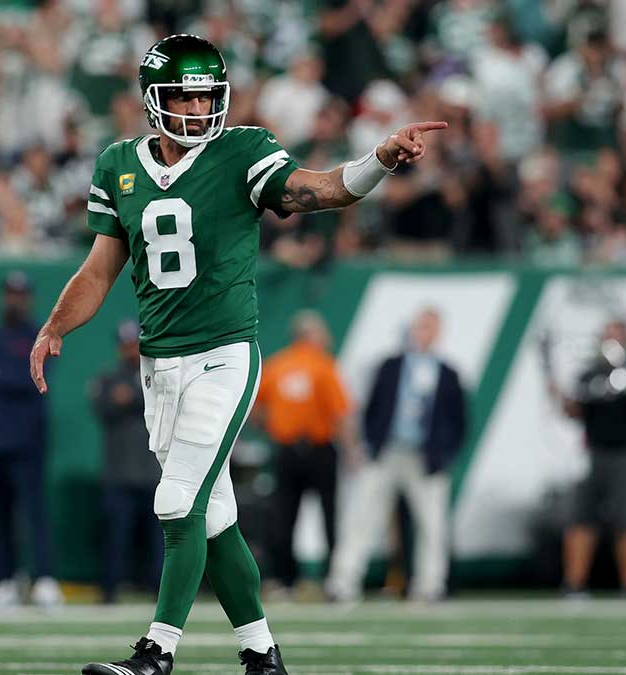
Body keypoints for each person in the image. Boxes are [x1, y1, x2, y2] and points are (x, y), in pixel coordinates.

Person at [27, 33, 448, 675]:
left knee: (176, 504)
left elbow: (321, 190)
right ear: (153, 99)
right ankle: (262, 656)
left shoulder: (242, 149)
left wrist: (380, 160)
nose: (197, 110)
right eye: (183, 97)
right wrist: (55, 326)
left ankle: (156, 653)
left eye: (206, 96)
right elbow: (99, 267)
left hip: (223, 354)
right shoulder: (118, 163)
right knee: (215, 516)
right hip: (159, 364)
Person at [326, 308, 467, 603]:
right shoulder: (390, 366)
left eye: (429, 327)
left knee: (432, 523)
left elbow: (459, 419)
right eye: (419, 326)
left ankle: (430, 584)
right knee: (361, 517)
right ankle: (343, 582)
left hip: (424, 457)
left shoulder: (449, 373)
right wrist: (368, 444)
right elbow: (372, 407)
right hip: (387, 451)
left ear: (438, 332)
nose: (422, 333)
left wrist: (445, 454)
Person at [0, 272, 62, 609]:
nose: (13, 300)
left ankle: (45, 579)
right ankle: (6, 580)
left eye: (20, 294)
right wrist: (11, 377)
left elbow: (33, 379)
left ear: (29, 298)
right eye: (9, 294)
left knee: (34, 512)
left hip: (27, 441)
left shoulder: (40, 337)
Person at [555, 319, 626, 597]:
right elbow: (573, 412)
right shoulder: (590, 374)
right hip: (594, 452)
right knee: (581, 518)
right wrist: (559, 396)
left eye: (617, 335)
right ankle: (574, 583)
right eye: (607, 335)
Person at [252, 310, 352, 595]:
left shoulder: (277, 364)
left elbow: (254, 407)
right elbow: (341, 413)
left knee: (284, 516)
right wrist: (351, 450)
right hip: (319, 448)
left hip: (287, 448)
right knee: (329, 516)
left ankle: (286, 580)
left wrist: (271, 427)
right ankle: (334, 580)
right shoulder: (323, 365)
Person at [90, 319, 163, 604]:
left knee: (161, 540)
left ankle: (162, 593)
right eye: (127, 344)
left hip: (152, 471)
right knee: (115, 537)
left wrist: (130, 398)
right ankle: (109, 590)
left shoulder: (157, 375)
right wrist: (130, 399)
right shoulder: (108, 378)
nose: (131, 350)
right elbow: (103, 406)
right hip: (119, 473)